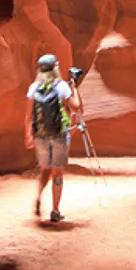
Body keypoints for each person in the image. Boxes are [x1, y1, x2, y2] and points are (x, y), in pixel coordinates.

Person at [24, 53, 83, 222]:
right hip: (59, 135)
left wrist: (28, 135)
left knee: (44, 170)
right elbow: (76, 108)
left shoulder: (33, 88)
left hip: (40, 135)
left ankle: (38, 196)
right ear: (55, 67)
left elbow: (28, 115)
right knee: (57, 173)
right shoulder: (62, 87)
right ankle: (55, 210)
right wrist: (75, 88)